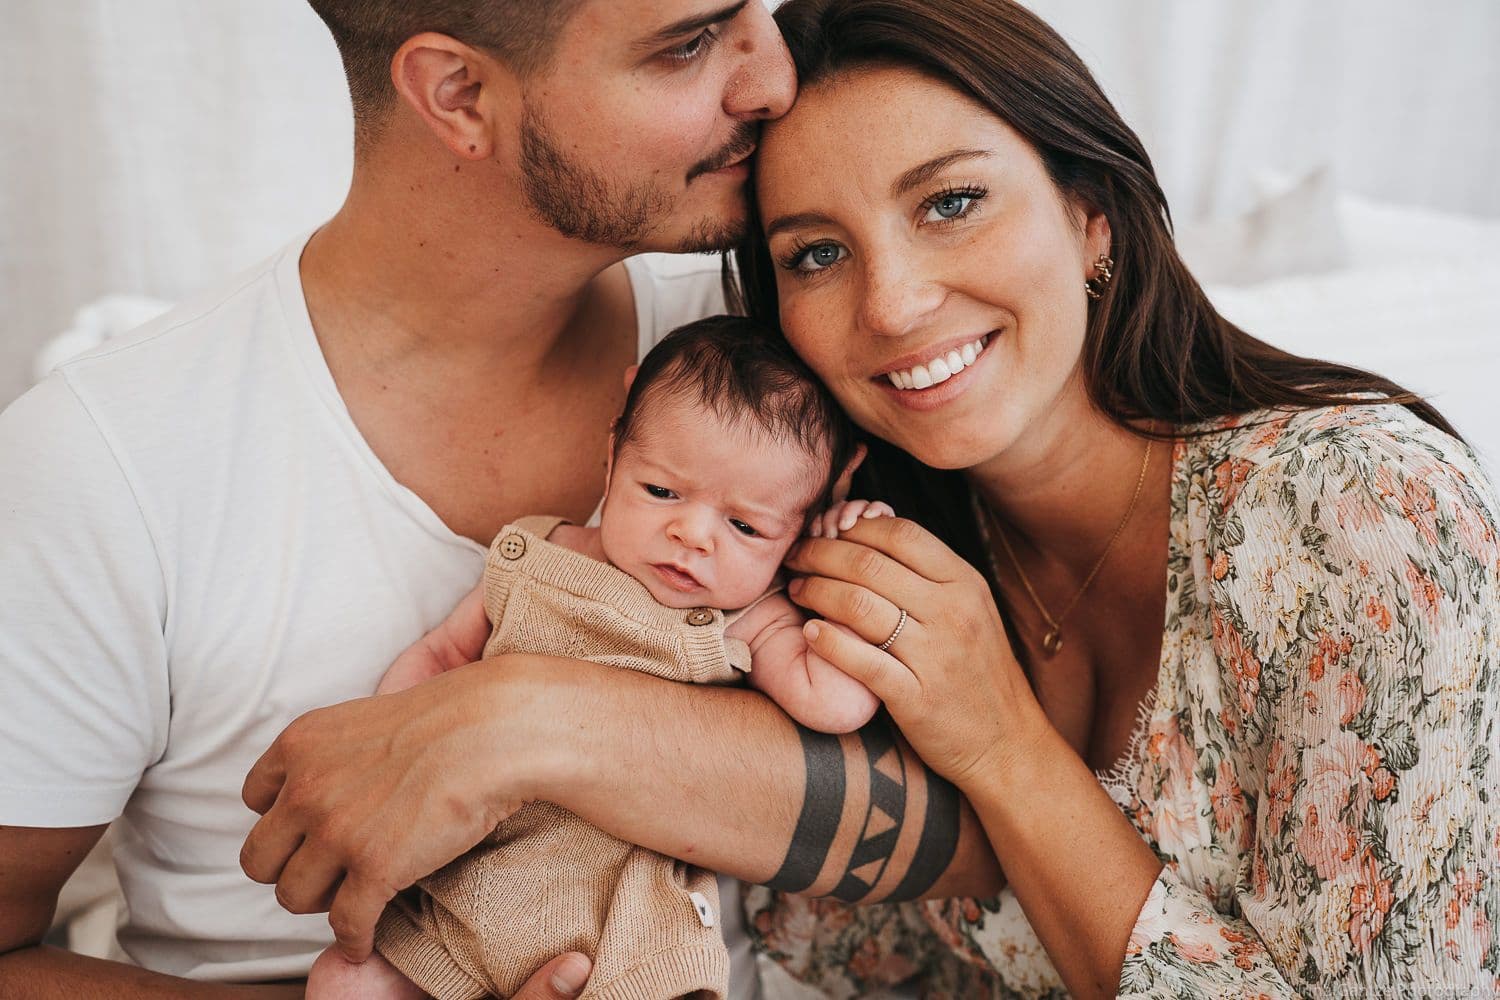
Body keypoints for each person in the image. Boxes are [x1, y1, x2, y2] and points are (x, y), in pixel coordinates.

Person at [3, 2, 991, 997]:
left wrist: (528, 723)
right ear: (459, 96)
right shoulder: (104, 463)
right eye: (690, 42)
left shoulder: (773, 360)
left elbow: (986, 824)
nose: (773, 79)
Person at [713, 0, 1499, 997]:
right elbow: (829, 938)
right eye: (816, 254)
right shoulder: (869, 551)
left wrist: (1001, 744)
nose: (891, 303)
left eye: (949, 202)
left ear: (1092, 217)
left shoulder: (1369, 515)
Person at [308, 317, 884, 1000]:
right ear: (613, 455)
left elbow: (837, 703)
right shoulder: (537, 553)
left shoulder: (753, 617)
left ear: (794, 535)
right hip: (463, 891)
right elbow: (443, 653)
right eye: (662, 492)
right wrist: (397, 744)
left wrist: (852, 567)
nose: (691, 535)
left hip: (627, 936)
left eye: (746, 526)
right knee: (345, 978)